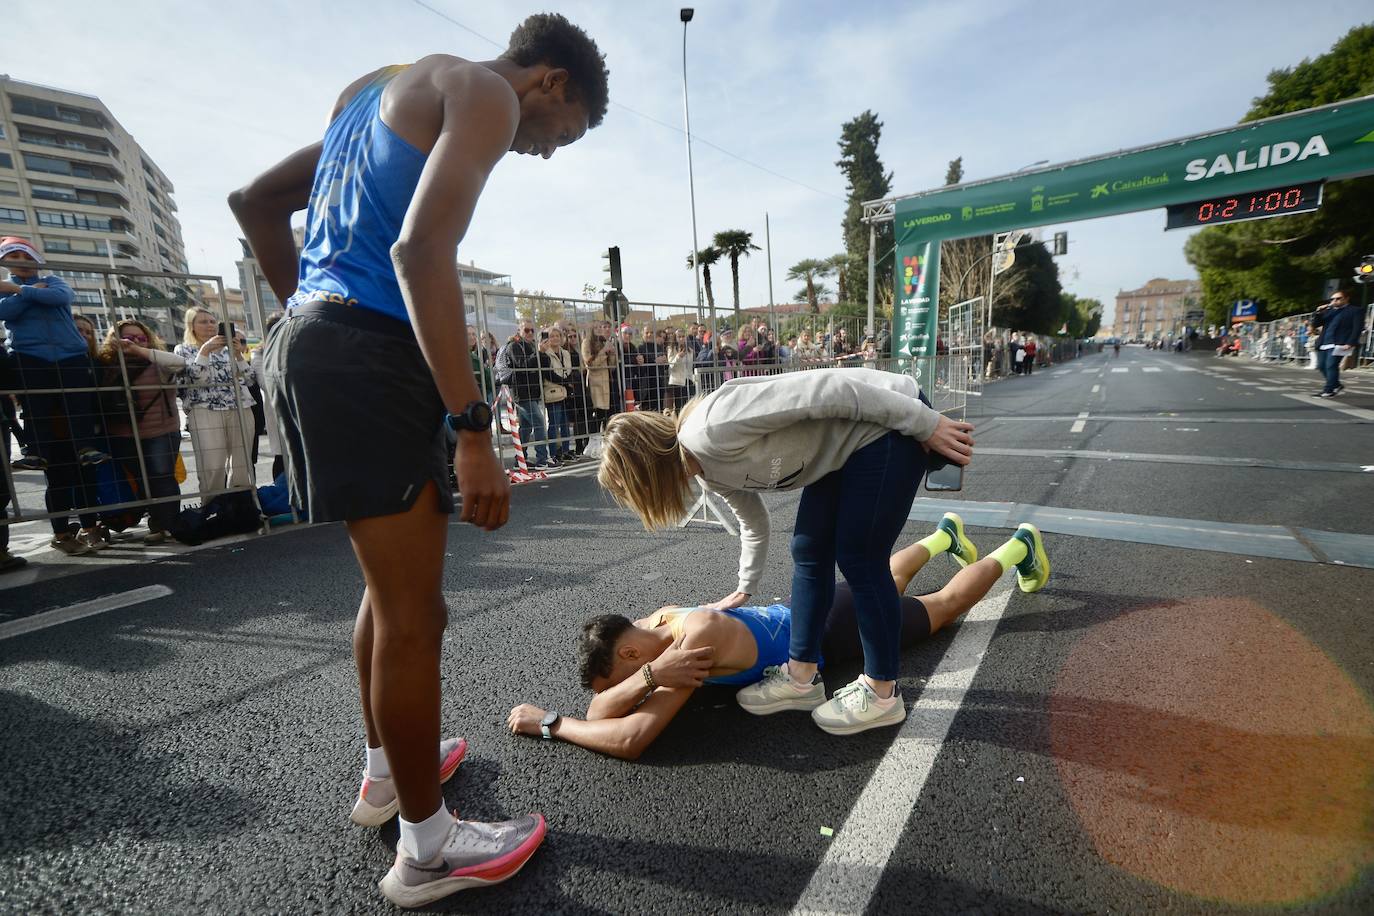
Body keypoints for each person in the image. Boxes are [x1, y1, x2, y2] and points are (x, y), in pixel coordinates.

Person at [229, 13, 607, 906]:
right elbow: (418, 250)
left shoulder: (371, 88)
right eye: (566, 133)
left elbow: (254, 201)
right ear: (548, 81)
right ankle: (428, 849)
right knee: (417, 615)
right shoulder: (479, 90)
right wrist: (472, 428)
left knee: (387, 595)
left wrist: (310, 318)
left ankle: (385, 778)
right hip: (367, 352)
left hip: (312, 343)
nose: (550, 151)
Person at [597, 367, 976, 736]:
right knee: (808, 550)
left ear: (647, 473)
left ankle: (881, 694)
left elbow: (831, 389)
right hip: (843, 448)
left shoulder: (713, 428)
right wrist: (745, 586)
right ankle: (801, 678)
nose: (641, 502)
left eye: (635, 493)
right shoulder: (706, 469)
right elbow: (752, 520)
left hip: (888, 423)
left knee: (859, 557)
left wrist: (925, 423)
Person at [506, 513, 1049, 756]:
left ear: (627, 650)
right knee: (881, 575)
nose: (632, 690)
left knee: (942, 606)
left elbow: (626, 736)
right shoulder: (658, 620)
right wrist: (644, 675)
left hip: (833, 634)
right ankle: (943, 535)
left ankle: (1019, 547)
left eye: (622, 676)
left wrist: (553, 725)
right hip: (802, 614)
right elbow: (606, 711)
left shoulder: (693, 645)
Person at [0, 239, 112, 554]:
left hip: (69, 370)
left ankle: (91, 527)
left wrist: (19, 291)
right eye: (13, 257)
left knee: (86, 476)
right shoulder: (15, 290)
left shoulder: (52, 281)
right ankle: (62, 533)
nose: (20, 260)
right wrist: (24, 292)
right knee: (58, 480)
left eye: (25, 255)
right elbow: (7, 310)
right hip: (34, 367)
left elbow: (60, 297)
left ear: (37, 259)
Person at [99, 320, 186, 544]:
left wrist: (139, 350)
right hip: (123, 435)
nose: (135, 342)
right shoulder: (107, 365)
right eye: (129, 338)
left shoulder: (157, 362)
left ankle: (165, 525)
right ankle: (152, 519)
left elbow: (180, 363)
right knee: (139, 480)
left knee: (161, 477)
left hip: (160, 432)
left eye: (141, 338)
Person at [173, 307, 258, 498]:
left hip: (240, 407)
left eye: (212, 321)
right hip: (205, 409)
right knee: (212, 464)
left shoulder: (231, 350)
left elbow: (251, 379)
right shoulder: (183, 349)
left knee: (241, 462)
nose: (209, 326)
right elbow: (196, 379)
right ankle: (212, 509)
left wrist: (238, 355)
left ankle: (240, 506)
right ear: (191, 326)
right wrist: (205, 351)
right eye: (203, 322)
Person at [497, 322, 553, 468]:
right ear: (519, 331)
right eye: (526, 330)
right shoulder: (514, 346)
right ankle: (542, 459)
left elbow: (544, 366)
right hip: (522, 393)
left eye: (532, 330)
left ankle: (519, 460)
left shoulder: (533, 346)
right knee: (540, 423)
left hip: (533, 392)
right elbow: (522, 365)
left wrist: (543, 352)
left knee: (526, 428)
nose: (529, 333)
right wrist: (538, 353)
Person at [1310, 290, 1361, 398]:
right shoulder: (1329, 311)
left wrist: (1351, 342)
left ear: (1346, 298)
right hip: (1324, 342)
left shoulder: (1355, 310)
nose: (1335, 301)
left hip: (1340, 343)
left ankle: (1328, 390)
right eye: (1332, 299)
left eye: (1338, 298)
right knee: (1321, 366)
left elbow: (1357, 328)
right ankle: (1336, 385)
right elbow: (1315, 324)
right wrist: (1318, 312)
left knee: (1331, 366)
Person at [539, 327, 575, 463]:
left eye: (557, 335)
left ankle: (565, 451)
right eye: (551, 336)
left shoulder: (565, 353)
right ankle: (553, 452)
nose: (555, 338)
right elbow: (549, 374)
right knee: (554, 423)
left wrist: (566, 381)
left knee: (565, 423)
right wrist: (565, 381)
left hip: (564, 391)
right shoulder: (545, 353)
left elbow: (569, 369)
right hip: (552, 390)